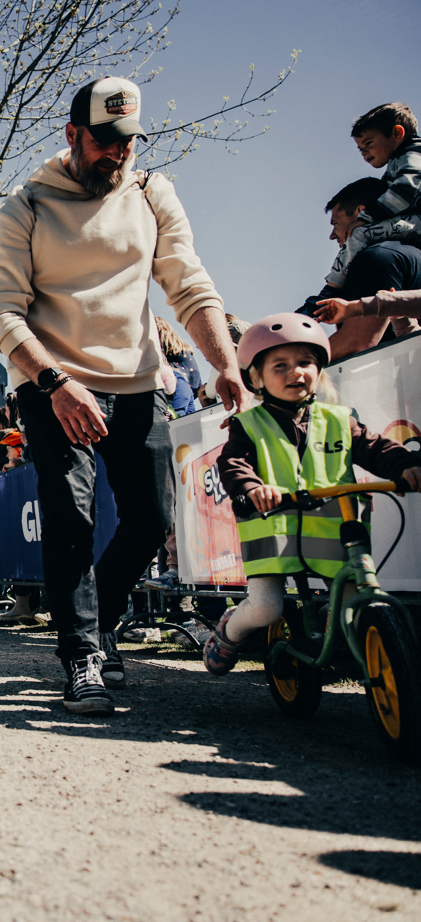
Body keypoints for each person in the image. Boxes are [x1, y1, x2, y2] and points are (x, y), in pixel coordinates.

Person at [0, 76, 247, 714]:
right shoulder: (25, 208)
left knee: (151, 520)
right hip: (53, 384)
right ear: (72, 134)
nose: (118, 153)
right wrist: (54, 383)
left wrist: (227, 363)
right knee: (72, 519)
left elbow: (189, 286)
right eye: (104, 141)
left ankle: (97, 619)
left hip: (138, 382)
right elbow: (0, 315)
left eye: (128, 141)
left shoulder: (153, 194)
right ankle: (81, 659)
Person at [203, 314, 421, 674]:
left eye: (305, 362)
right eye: (281, 365)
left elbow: (375, 447)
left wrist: (404, 466)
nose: (295, 372)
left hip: (335, 531)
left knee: (356, 602)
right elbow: (234, 464)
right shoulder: (248, 424)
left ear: (319, 370)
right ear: (256, 377)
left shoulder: (339, 418)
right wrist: (252, 488)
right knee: (266, 607)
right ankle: (229, 631)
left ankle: (379, 669)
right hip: (273, 532)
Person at [311, 178, 421, 359]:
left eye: (336, 223)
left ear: (361, 212)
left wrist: (292, 359)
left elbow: (356, 341)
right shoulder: (410, 253)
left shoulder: (377, 257)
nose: (332, 235)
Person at [323, 103, 421, 291]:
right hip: (414, 222)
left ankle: (331, 289)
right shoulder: (397, 161)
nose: (364, 152)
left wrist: (367, 218)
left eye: (368, 143)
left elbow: (405, 189)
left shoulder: (414, 154)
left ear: (397, 134)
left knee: (361, 232)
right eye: (360, 149)